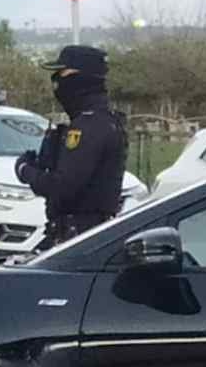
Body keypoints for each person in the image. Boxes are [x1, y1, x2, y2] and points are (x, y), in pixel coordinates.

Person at [15, 45, 127, 250]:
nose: (57, 80)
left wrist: (25, 171)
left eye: (62, 73)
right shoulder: (98, 121)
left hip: (80, 237)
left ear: (82, 78)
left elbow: (63, 187)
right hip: (77, 233)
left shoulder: (90, 126)